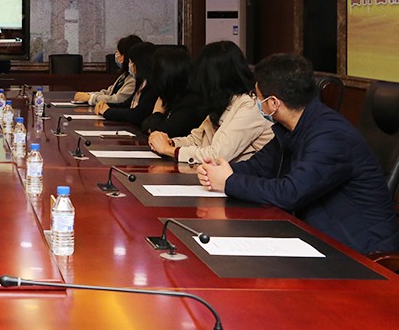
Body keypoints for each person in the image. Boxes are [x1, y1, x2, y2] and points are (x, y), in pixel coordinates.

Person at [198, 53, 399, 254]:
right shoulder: (293, 127)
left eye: (257, 98)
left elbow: (291, 193)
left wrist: (229, 181)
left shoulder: (330, 136)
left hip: (359, 252)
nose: (256, 103)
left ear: (274, 103)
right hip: (318, 238)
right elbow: (259, 166)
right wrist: (217, 171)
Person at [148, 41, 273, 165]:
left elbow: (217, 155)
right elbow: (197, 140)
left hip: (248, 176)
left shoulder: (250, 106)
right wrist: (169, 142)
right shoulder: (223, 102)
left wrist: (168, 150)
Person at [141, 46, 204, 138]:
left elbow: (162, 132)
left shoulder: (190, 103)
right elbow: (144, 125)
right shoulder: (172, 96)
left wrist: (157, 112)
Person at [98, 41, 159, 127]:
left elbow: (137, 115)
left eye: (131, 62)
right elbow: (127, 104)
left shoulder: (153, 86)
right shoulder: (141, 82)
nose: (129, 65)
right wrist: (106, 105)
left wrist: (107, 111)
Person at [74, 34, 142, 106]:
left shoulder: (134, 79)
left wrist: (90, 98)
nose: (116, 56)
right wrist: (88, 95)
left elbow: (117, 100)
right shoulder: (124, 76)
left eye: (118, 53)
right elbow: (109, 92)